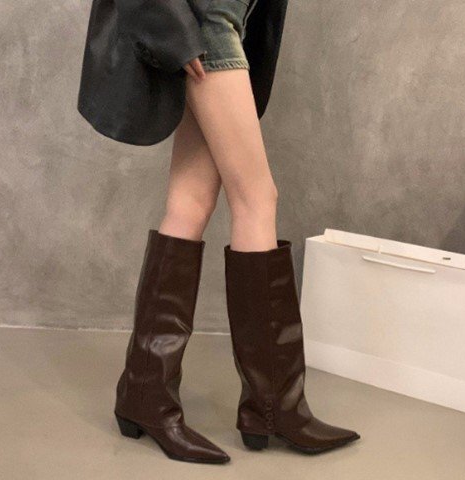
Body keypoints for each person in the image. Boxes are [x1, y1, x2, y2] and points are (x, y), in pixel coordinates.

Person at [78, 0, 360, 465]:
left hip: (222, 22)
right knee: (256, 198)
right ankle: (275, 408)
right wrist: (178, 30)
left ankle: (145, 394)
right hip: (207, 24)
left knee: (190, 202)